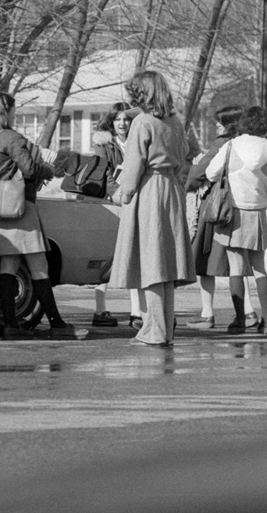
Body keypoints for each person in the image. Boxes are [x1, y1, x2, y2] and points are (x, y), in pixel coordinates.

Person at [0, 92, 87, 340]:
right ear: (6, 110)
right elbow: (29, 168)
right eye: (14, 109)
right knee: (40, 266)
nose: (16, 114)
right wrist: (48, 169)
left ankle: (10, 325)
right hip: (20, 208)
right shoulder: (11, 137)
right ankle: (57, 324)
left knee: (8, 265)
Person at [109, 70, 195, 347]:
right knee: (165, 266)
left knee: (152, 262)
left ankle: (154, 331)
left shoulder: (143, 122)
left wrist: (123, 193)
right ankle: (162, 329)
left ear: (141, 94)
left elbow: (134, 164)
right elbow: (183, 159)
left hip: (149, 191)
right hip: (171, 189)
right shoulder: (175, 122)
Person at [205, 106, 267, 334]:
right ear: (265, 127)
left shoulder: (231, 145)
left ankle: (241, 320)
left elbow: (210, 174)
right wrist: (265, 201)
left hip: (232, 213)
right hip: (257, 214)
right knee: (259, 268)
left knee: (236, 268)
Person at [185, 105, 259, 330]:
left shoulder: (221, 145)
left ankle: (207, 314)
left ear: (231, 125)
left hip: (215, 208)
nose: (217, 125)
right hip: (240, 207)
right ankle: (248, 311)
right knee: (238, 263)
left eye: (222, 122)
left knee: (205, 262)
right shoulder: (250, 146)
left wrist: (194, 169)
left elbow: (197, 175)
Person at [89, 102, 143, 328]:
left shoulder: (138, 140)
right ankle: (100, 310)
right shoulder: (104, 144)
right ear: (111, 121)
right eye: (118, 119)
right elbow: (103, 173)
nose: (122, 123)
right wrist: (117, 193)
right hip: (111, 202)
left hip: (135, 201)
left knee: (134, 255)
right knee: (106, 257)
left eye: (127, 119)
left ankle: (137, 312)